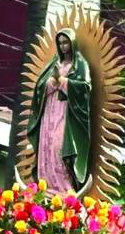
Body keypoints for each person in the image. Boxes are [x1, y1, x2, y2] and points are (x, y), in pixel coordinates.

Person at [27, 28, 91, 192]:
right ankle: (46, 186)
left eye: (66, 42)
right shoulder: (53, 64)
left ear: (72, 43)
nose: (63, 46)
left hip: (66, 114)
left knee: (58, 147)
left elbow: (85, 88)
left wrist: (62, 81)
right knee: (46, 147)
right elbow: (40, 88)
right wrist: (50, 83)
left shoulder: (80, 65)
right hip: (49, 113)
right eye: (60, 43)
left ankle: (63, 188)